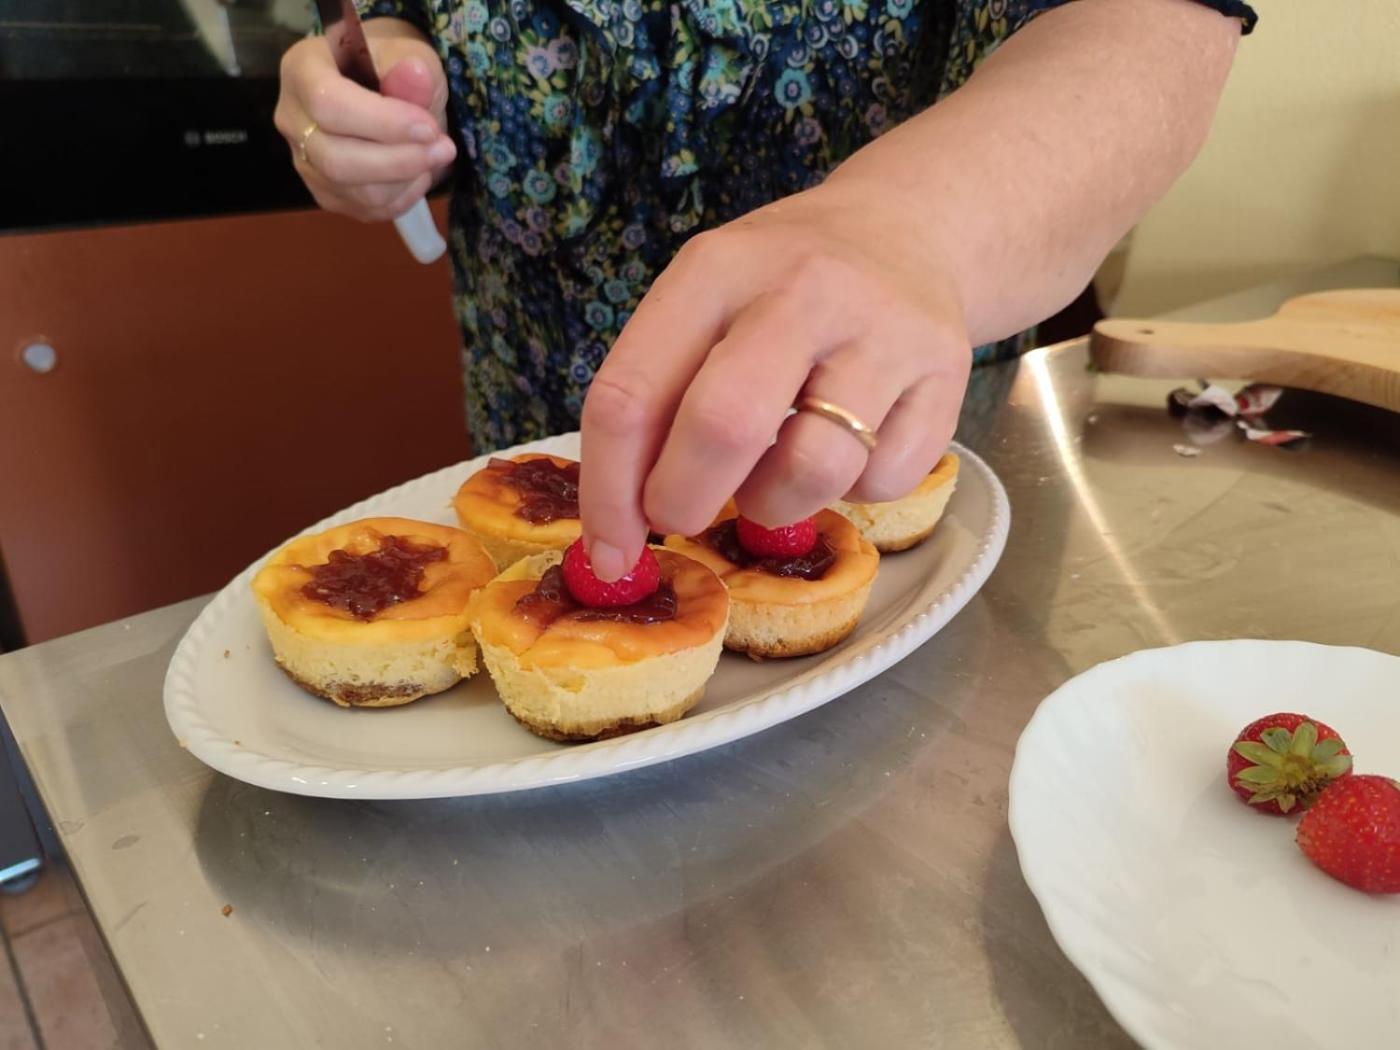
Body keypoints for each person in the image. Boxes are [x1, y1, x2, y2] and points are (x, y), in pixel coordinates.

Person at [276, 0, 1254, 580]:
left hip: (871, 435)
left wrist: (904, 228)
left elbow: (1151, 29)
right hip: (532, 418)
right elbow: (400, 18)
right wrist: (379, 94)